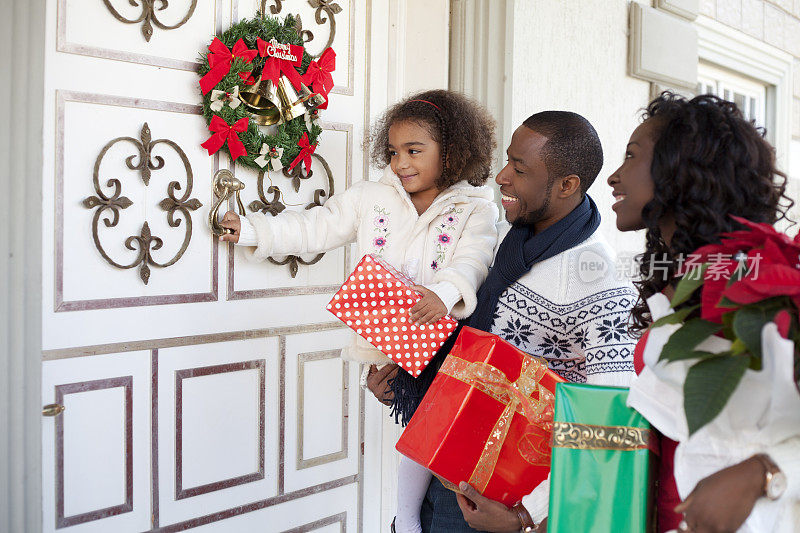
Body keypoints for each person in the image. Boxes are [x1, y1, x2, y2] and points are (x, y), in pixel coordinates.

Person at [217, 89, 500, 533]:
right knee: (412, 431)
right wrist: (254, 229)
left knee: (435, 432)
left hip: (446, 345)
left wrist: (445, 293)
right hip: (390, 345)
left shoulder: (476, 207)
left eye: (414, 151)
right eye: (393, 152)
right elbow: (317, 227)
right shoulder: (371, 197)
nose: (401, 163)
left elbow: (475, 259)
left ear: (452, 151)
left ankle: (418, 515)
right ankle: (405, 517)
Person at [371, 111, 638, 532]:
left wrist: (525, 515)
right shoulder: (502, 240)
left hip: (505, 504)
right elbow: (465, 356)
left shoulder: (601, 284)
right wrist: (405, 382)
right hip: (442, 476)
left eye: (519, 167)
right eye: (507, 160)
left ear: (567, 185)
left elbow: (611, 426)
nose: (501, 176)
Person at [608, 92, 799, 532]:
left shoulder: (761, 277)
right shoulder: (679, 276)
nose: (614, 177)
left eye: (632, 157)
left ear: (680, 168)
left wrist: (764, 472)